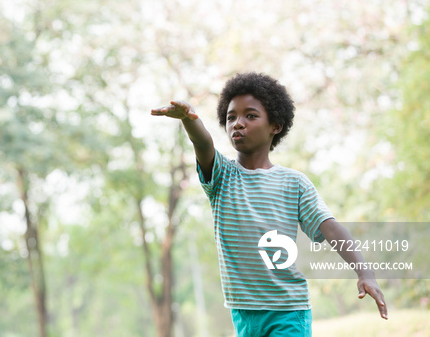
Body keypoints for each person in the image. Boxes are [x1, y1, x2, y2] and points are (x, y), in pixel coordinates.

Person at [151, 72, 387, 336]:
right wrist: (188, 119)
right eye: (231, 117)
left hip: (288, 310)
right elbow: (203, 144)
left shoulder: (294, 183)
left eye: (250, 116)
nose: (238, 123)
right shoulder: (222, 177)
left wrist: (365, 272)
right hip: (243, 312)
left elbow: (331, 228)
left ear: (275, 125)